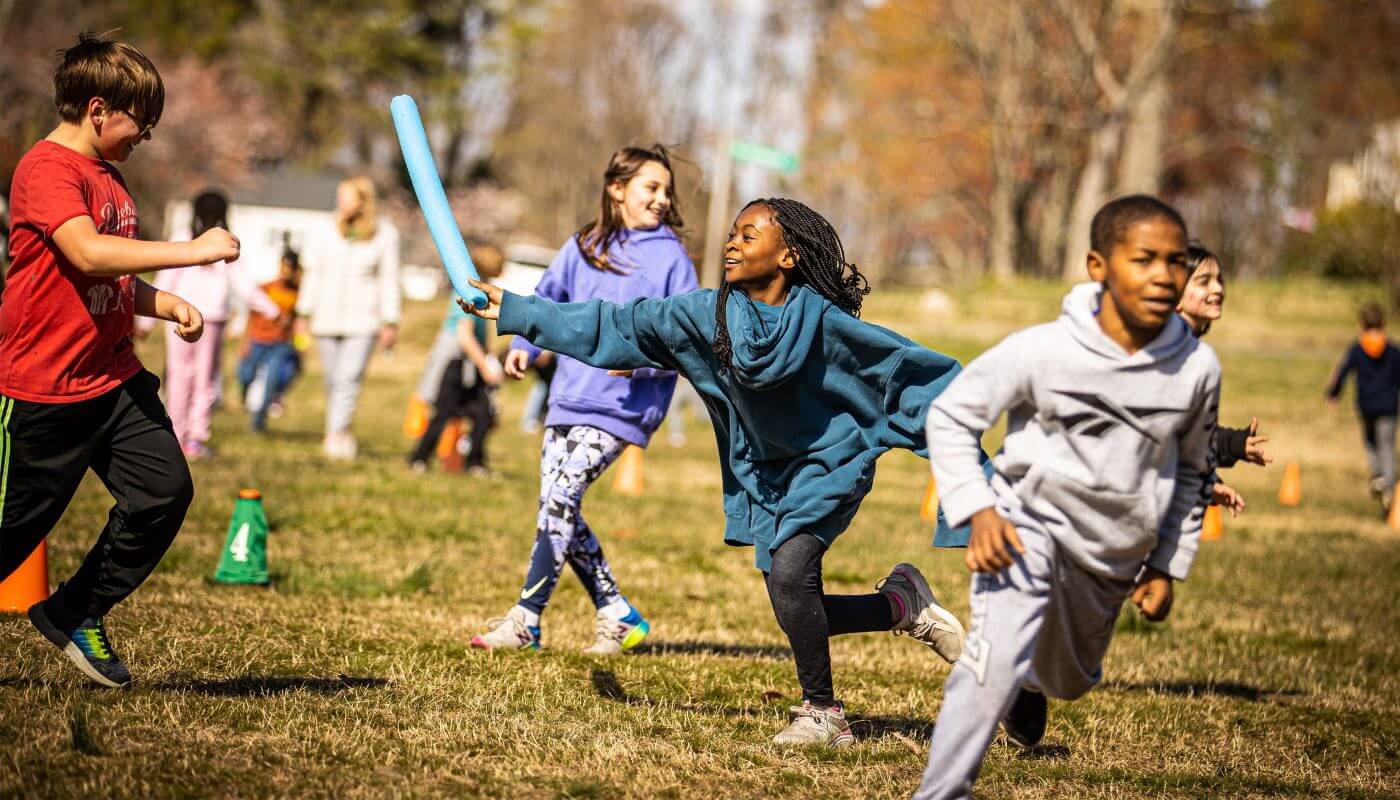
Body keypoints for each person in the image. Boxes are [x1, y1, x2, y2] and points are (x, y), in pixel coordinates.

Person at [464, 196, 971, 746]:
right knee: (793, 603)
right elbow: (617, 323)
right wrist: (519, 310)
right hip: (763, 471)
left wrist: (965, 476)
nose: (732, 243)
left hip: (831, 461)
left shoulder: (826, 326)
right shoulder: (704, 317)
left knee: (790, 575)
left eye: (748, 236)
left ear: (788, 257)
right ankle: (900, 605)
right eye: (733, 233)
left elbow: (914, 378)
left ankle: (823, 714)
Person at [913, 195, 1220, 799]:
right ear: (1097, 266)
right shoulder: (1042, 349)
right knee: (990, 660)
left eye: (1176, 261)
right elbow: (950, 416)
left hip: (1112, 555)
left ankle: (1027, 684)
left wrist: (1166, 562)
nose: (1163, 274)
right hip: (1023, 529)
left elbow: (1191, 471)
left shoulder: (1197, 370)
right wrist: (979, 510)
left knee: (1068, 678)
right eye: (1144, 259)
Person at [1, 32, 240, 687]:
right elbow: (86, 253)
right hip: (41, 388)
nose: (146, 137)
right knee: (12, 536)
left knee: (164, 492)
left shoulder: (111, 179)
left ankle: (77, 611)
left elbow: (108, 278)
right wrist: (193, 252)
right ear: (99, 109)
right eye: (142, 124)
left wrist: (164, 305)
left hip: (111, 379)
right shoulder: (47, 170)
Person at [469, 145, 697, 656]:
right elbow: (547, 301)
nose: (662, 199)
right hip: (569, 397)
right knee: (557, 504)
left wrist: (640, 360)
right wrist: (526, 345)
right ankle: (616, 613)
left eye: (666, 191)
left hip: (625, 407)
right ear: (616, 189)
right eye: (651, 188)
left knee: (561, 497)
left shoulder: (672, 262)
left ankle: (526, 618)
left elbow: (689, 341)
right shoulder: (584, 245)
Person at [137, 189, 280, 458]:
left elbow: (164, 282)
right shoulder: (224, 243)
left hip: (178, 318)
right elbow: (245, 286)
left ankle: (177, 436)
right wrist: (272, 310)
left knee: (179, 377)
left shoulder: (183, 238)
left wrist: (145, 323)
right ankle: (194, 438)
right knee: (204, 381)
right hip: (209, 320)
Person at [295, 176, 401, 460]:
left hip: (364, 319)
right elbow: (312, 273)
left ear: (364, 201)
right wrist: (303, 313)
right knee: (333, 380)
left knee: (349, 377)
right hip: (326, 317)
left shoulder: (385, 234)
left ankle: (333, 436)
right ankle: (343, 432)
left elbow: (388, 279)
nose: (339, 202)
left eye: (346, 196)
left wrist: (390, 320)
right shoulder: (323, 229)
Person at [1176, 242, 1271, 514]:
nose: (1218, 289)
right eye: (1203, 281)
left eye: (1219, 280)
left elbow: (1186, 434)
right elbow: (1169, 438)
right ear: (1175, 295)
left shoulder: (1191, 352)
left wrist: (1233, 446)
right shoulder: (1167, 355)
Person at [409, 243, 506, 474]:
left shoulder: (484, 292)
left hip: (472, 361)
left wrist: (489, 356)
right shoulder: (467, 291)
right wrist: (485, 367)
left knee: (483, 413)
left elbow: (481, 334)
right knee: (444, 411)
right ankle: (420, 458)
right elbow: (464, 335)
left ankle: (475, 463)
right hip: (456, 363)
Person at [1326, 302, 1400, 514]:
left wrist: (1333, 394)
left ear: (1361, 325)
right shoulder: (1393, 350)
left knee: (1370, 443)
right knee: (1386, 445)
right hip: (1389, 407)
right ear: (1384, 324)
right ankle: (1387, 485)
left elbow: (1343, 371)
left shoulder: (1357, 349)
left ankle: (1378, 474)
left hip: (1366, 406)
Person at [237, 247, 303, 433]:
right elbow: (251, 316)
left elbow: (298, 320)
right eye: (284, 266)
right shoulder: (266, 288)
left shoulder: (298, 293)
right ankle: (244, 394)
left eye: (290, 268)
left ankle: (258, 423)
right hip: (257, 340)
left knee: (272, 382)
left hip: (279, 345)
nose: (286, 271)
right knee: (246, 374)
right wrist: (245, 341)